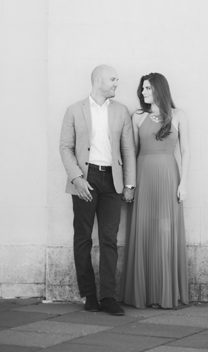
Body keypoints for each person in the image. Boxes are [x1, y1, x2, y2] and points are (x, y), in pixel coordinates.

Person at [59, 65, 136, 316]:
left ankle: (108, 297)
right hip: (86, 177)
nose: (116, 83)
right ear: (98, 80)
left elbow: (128, 151)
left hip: (112, 181)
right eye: (113, 79)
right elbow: (65, 147)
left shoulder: (121, 111)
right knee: (82, 238)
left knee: (109, 240)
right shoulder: (74, 110)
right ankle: (89, 295)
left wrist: (129, 184)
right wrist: (77, 179)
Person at [121, 72, 190, 309]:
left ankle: (164, 293)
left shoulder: (179, 115)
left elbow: (187, 151)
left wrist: (184, 183)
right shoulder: (138, 117)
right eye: (142, 89)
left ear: (159, 89)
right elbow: (132, 151)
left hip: (169, 176)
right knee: (144, 230)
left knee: (164, 231)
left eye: (148, 88)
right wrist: (130, 183)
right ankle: (145, 293)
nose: (143, 92)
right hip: (144, 175)